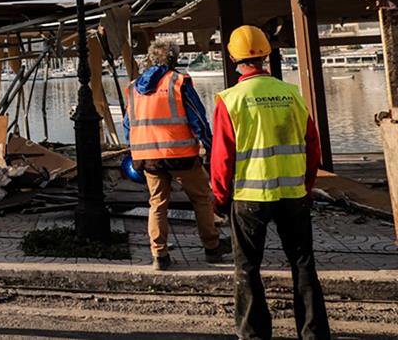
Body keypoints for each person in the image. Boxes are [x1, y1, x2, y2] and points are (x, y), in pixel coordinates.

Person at [211, 25, 330, 340]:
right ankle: (313, 333)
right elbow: (313, 147)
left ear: (232, 57)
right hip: (293, 194)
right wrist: (305, 186)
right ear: (266, 53)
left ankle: (254, 334)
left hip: (249, 197)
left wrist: (219, 198)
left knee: (247, 267)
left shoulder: (230, 100)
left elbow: (222, 157)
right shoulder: (291, 94)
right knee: (303, 263)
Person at [124, 38, 230, 270]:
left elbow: (127, 125)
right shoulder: (178, 81)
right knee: (202, 198)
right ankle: (212, 247)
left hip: (148, 157)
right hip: (180, 154)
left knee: (157, 203)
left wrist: (134, 150)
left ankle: (159, 255)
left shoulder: (134, 88)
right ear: (173, 59)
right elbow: (197, 118)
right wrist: (209, 145)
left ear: (150, 58)